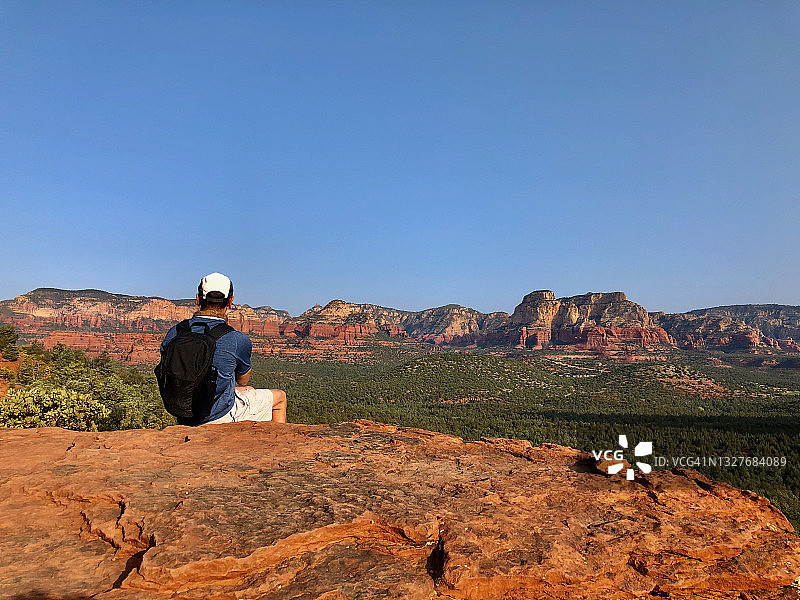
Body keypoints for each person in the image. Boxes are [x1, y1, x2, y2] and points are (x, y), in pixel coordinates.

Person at [159, 272, 287, 425]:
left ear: (198, 299)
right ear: (230, 302)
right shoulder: (237, 339)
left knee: (249, 390)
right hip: (218, 416)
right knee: (280, 397)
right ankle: (277, 438)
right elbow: (242, 380)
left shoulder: (175, 331)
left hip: (183, 413)